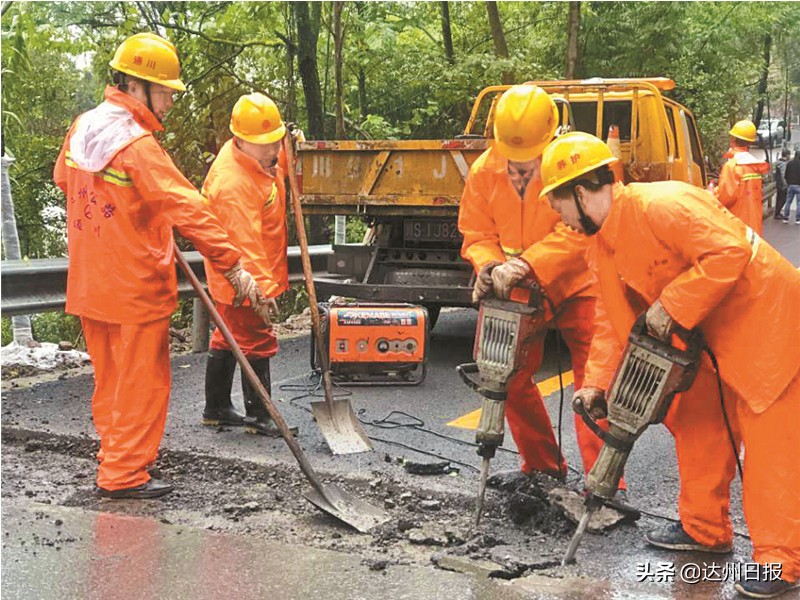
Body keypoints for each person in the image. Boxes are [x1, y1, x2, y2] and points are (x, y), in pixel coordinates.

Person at [540, 131, 800, 598]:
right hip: (708, 339)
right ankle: (705, 530)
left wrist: (671, 306)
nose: (560, 219)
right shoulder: (603, 247)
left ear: (580, 192)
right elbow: (609, 321)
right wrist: (597, 382)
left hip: (768, 323)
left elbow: (730, 252)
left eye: (557, 206)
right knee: (697, 422)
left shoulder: (662, 204)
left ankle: (779, 563)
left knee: (770, 448)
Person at [53, 33, 264, 500]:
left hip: (92, 281)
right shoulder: (137, 146)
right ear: (136, 85)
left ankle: (117, 456)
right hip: (134, 286)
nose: (170, 100)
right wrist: (232, 266)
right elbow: (190, 208)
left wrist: (131, 215)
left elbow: (64, 180)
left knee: (112, 382)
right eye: (165, 90)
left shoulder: (83, 126)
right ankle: (125, 475)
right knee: (141, 385)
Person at [457, 85, 633, 514]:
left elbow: (584, 229)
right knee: (503, 373)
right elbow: (477, 232)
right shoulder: (485, 170)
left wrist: (528, 264)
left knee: (595, 380)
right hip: (517, 289)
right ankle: (541, 465)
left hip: (580, 281)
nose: (521, 161)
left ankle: (604, 482)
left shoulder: (578, 165)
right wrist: (487, 266)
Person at [201, 93, 292, 436]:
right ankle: (260, 415)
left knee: (227, 337)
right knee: (256, 338)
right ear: (240, 140)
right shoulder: (234, 185)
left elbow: (276, 163)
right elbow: (244, 248)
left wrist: (289, 147)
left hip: (245, 272)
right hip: (242, 279)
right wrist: (263, 292)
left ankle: (217, 407)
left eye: (276, 141)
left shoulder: (255, 160)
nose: (274, 150)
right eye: (265, 144)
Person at [714, 120, 769, 234]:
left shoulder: (732, 166)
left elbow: (725, 197)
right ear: (749, 143)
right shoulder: (755, 166)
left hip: (737, 227)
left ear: (732, 139)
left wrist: (711, 192)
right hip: (754, 227)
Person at [781, 150, 800, 224]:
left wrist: (788, 183)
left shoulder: (789, 163)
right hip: (799, 185)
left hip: (790, 185)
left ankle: (786, 218)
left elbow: (785, 175)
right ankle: (798, 219)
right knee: (799, 203)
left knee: (788, 201)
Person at [773, 149, 790, 220]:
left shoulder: (777, 162)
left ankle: (777, 213)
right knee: (783, 199)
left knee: (778, 198)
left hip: (778, 183)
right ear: (787, 155)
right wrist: (785, 184)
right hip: (782, 184)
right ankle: (777, 213)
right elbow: (783, 175)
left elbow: (773, 173)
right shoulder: (784, 164)